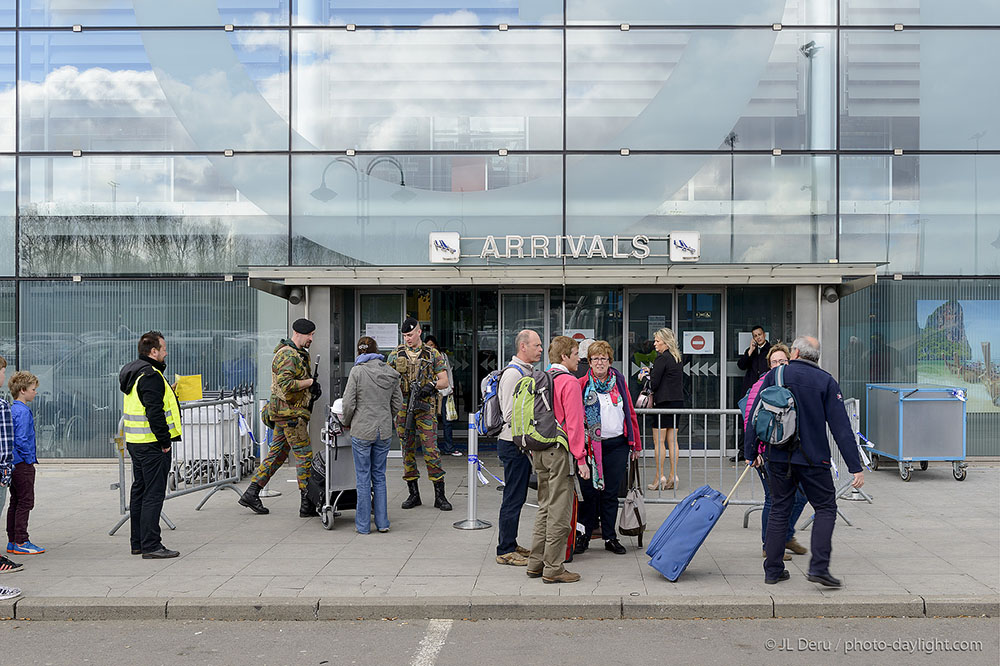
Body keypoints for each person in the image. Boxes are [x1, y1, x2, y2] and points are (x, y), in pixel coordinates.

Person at [745, 336, 864, 588]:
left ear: (796, 352)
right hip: (813, 458)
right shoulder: (826, 381)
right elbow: (841, 428)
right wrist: (855, 466)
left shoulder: (776, 376)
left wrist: (750, 451)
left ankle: (773, 570)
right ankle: (819, 568)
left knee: (779, 508)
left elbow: (756, 415)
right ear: (816, 357)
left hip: (777, 456)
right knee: (825, 508)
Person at [239, 318, 321, 517]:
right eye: (309, 335)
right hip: (290, 415)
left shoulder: (297, 354)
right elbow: (287, 385)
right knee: (304, 457)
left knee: (277, 454)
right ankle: (307, 503)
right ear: (299, 333)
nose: (311, 338)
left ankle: (252, 492)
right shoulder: (288, 354)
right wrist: (310, 382)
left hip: (285, 413)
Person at [525, 336, 590, 584]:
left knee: (544, 507)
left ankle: (535, 563)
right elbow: (574, 425)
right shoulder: (569, 383)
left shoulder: (541, 379)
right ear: (564, 356)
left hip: (539, 451)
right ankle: (553, 568)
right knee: (560, 512)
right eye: (575, 353)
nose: (578, 358)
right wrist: (581, 459)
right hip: (559, 452)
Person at [741, 343, 808, 562]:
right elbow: (750, 420)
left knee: (801, 494)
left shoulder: (795, 385)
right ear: (769, 365)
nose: (779, 365)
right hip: (766, 454)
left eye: (783, 361)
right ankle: (769, 546)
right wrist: (753, 452)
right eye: (774, 362)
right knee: (773, 498)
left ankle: (785, 536)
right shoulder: (762, 384)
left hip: (792, 453)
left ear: (790, 362)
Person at [574, 340, 641, 556]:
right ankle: (583, 536)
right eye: (595, 358)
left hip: (617, 445)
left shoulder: (619, 381)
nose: (600, 362)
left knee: (611, 493)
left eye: (604, 358)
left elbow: (630, 412)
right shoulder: (581, 384)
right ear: (589, 362)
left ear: (610, 361)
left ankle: (610, 537)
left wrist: (635, 443)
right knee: (590, 494)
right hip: (590, 448)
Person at [119, 331, 182, 559]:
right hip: (153, 444)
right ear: (153, 351)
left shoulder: (135, 371)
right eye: (163, 349)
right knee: (153, 495)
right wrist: (165, 442)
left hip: (136, 442)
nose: (166, 352)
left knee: (140, 492)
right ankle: (151, 545)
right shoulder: (151, 375)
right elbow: (154, 411)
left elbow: (146, 402)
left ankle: (138, 542)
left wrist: (169, 393)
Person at [386, 317, 452, 511]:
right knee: (407, 449)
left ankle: (440, 495)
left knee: (431, 449)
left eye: (410, 334)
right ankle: (413, 493)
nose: (407, 338)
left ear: (419, 332)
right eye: (405, 335)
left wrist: (430, 386)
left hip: (425, 407)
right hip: (403, 407)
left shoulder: (432, 354)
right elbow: (387, 379)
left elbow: (444, 381)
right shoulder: (395, 354)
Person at [341, 336, 403, 534]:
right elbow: (397, 404)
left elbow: (348, 403)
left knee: (362, 477)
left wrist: (346, 421)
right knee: (379, 476)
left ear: (360, 352)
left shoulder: (357, 372)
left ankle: (363, 525)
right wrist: (386, 417)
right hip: (383, 431)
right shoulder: (391, 373)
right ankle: (383, 523)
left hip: (362, 430)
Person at [495, 329, 542, 566]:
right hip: (513, 444)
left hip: (519, 444)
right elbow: (510, 414)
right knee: (513, 497)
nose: (540, 349)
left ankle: (510, 543)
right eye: (536, 345)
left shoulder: (526, 371)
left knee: (517, 496)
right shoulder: (513, 375)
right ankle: (505, 549)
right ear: (523, 347)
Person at [638, 328, 683, 490]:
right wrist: (653, 372)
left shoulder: (661, 358)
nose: (654, 344)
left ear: (665, 341)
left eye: (657, 341)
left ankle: (659, 477)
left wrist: (645, 376)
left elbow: (654, 384)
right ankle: (673, 476)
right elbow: (666, 376)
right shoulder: (676, 357)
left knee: (659, 442)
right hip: (677, 401)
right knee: (673, 441)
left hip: (663, 402)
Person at [6, 371, 43, 557]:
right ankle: (21, 539)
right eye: (33, 389)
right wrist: (29, 459)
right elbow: (21, 439)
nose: (35, 392)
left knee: (15, 500)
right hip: (22, 463)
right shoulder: (23, 412)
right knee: (26, 501)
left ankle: (13, 539)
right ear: (22, 391)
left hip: (14, 462)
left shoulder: (12, 409)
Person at [0, 356, 24, 579]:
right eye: (2, 371)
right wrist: (6, 471)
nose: (4, 376)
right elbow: (6, 444)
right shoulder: (1, 405)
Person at [424, 336, 461, 457]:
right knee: (430, 421)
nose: (431, 347)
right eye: (428, 345)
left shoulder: (442, 356)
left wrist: (451, 386)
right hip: (430, 394)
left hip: (443, 392)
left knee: (447, 421)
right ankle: (432, 448)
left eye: (432, 345)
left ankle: (448, 447)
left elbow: (448, 371)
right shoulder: (423, 357)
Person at [737, 326, 771, 394]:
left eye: (759, 334)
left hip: (766, 385)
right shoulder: (751, 351)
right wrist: (750, 351)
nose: (758, 337)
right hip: (751, 385)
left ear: (764, 335)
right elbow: (741, 366)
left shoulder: (771, 350)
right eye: (755, 336)